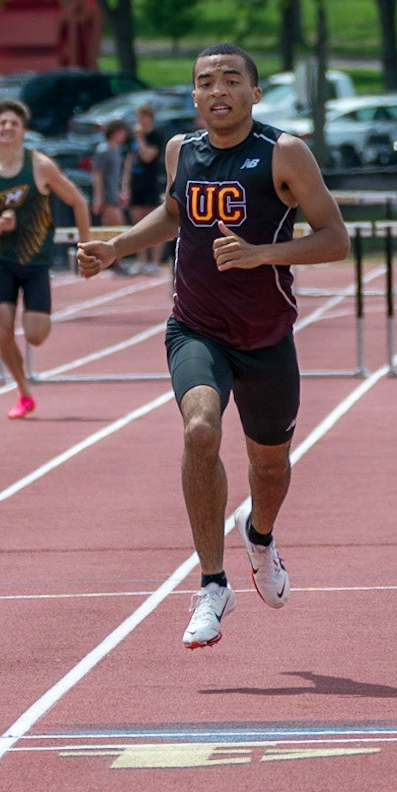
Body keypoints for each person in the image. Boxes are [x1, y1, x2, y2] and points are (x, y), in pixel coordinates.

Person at [76, 43, 349, 649]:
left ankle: (260, 535)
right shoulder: (181, 150)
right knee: (200, 429)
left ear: (255, 92)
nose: (217, 90)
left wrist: (261, 255)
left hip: (266, 337)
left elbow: (335, 239)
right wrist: (115, 248)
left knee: (269, 467)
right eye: (205, 81)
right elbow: (173, 214)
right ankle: (212, 583)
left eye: (230, 79)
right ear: (194, 95)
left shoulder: (284, 153)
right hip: (195, 328)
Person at [0, 99, 92, 419]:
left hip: (36, 261)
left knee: (36, 334)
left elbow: (78, 201)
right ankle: (23, 392)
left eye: (13, 123)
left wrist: (85, 245)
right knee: (4, 331)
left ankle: (26, 377)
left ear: (23, 130)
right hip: (2, 261)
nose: (7, 128)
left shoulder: (40, 166)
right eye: (2, 123)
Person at [124, 103, 166, 274]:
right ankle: (141, 260)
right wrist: (125, 185)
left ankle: (154, 262)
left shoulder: (155, 135)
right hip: (136, 184)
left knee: (153, 224)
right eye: (138, 117)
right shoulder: (132, 138)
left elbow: (148, 156)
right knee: (137, 225)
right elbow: (129, 160)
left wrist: (140, 138)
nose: (140, 121)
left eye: (143, 117)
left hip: (151, 184)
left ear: (150, 118)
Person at [90, 120, 129, 251]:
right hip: (107, 198)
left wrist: (119, 192)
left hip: (114, 195)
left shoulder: (116, 150)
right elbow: (97, 173)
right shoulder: (104, 150)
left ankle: (113, 259)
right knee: (113, 232)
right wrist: (98, 197)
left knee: (115, 232)